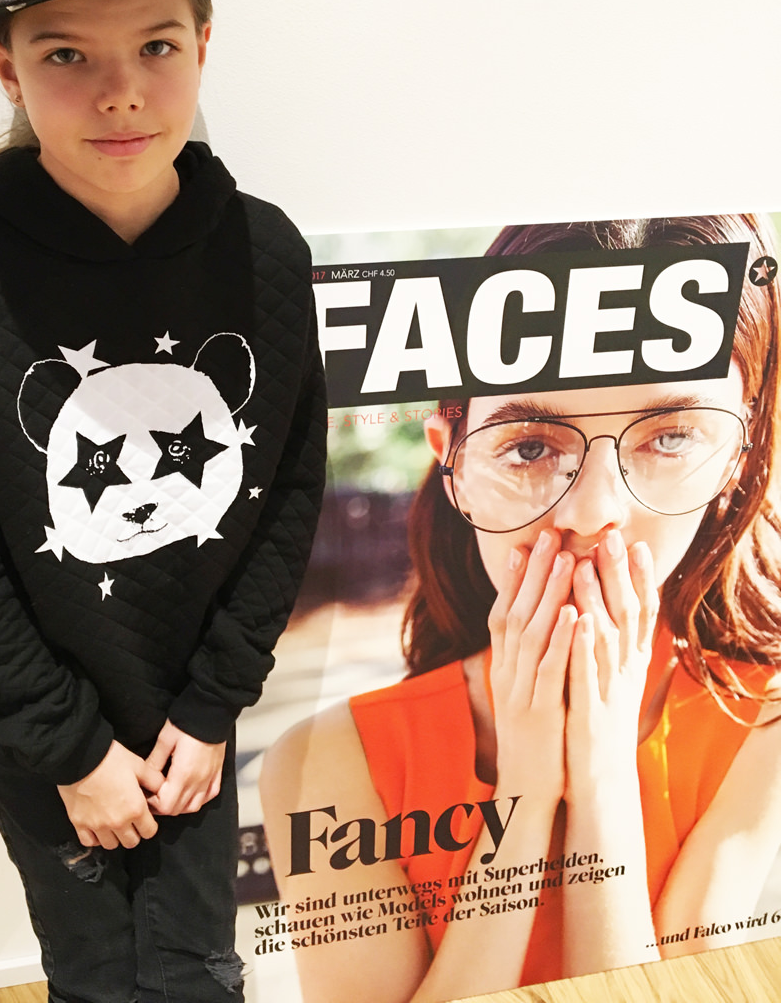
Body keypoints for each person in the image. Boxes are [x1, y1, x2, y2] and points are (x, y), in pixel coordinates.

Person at [0, 0, 326, 1003]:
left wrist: (213, 704)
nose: (120, 91)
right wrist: (69, 747)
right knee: (100, 976)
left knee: (199, 967)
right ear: (4, 64)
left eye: (156, 46)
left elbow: (287, 491)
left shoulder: (266, 253)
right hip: (39, 732)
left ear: (204, 43)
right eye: (66, 53)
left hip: (193, 722)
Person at [260, 215, 781, 1002]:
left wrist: (600, 778)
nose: (593, 513)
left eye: (670, 438)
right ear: (452, 461)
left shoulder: (759, 721)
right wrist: (525, 795)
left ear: (736, 461)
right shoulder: (328, 761)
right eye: (532, 447)